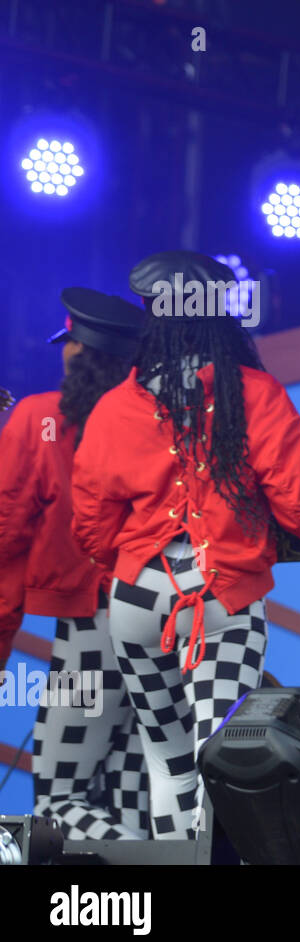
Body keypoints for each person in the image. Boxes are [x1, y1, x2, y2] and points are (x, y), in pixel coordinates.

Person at [71, 254, 300, 839]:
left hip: (136, 603)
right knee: (220, 760)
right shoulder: (252, 392)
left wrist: (127, 563)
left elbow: (89, 521)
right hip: (222, 603)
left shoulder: (116, 405)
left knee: (169, 762)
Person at [0, 288, 150, 838]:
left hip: (92, 631)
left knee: (59, 799)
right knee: (133, 793)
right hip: (170, 628)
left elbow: (4, 533)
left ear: (74, 351)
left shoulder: (40, 418)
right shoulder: (163, 421)